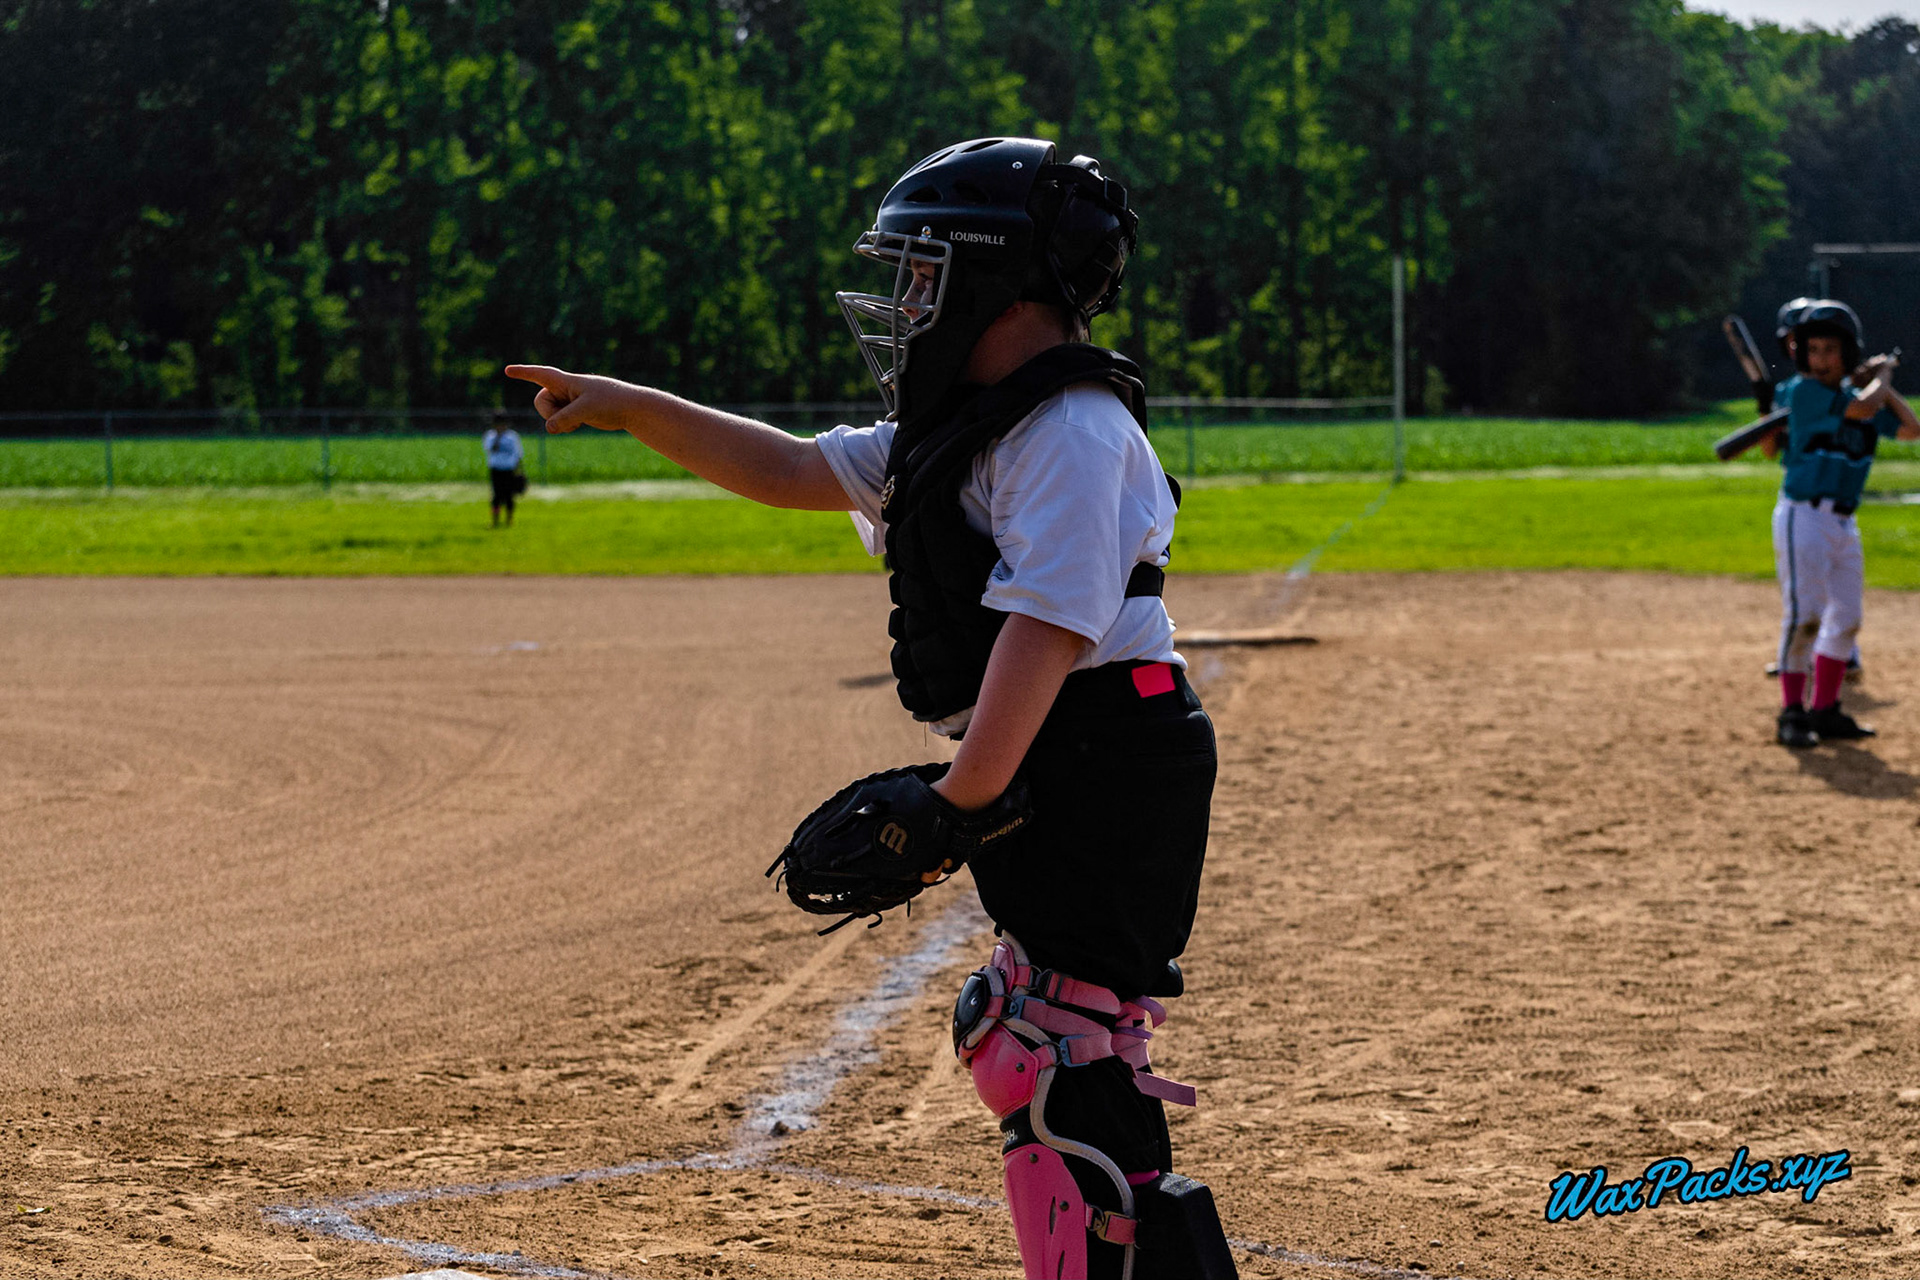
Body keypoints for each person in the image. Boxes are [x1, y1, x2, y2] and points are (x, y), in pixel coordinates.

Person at [507, 136, 1236, 1279]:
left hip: (1109, 760)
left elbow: (1049, 630)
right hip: (1071, 752)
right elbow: (794, 468)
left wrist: (961, 799)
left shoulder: (1074, 431)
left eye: (923, 273)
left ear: (998, 281)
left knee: (1054, 1042)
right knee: (1045, 1028)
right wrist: (635, 407)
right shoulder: (981, 423)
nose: (905, 300)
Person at [1769, 299, 1918, 748]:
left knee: (1847, 619)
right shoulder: (1805, 392)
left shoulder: (1857, 397)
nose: (1821, 360)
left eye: (1831, 350)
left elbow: (1912, 428)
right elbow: (1863, 409)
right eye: (1813, 350)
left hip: (1843, 523)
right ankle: (1792, 713)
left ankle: (1826, 709)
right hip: (1803, 516)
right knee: (1805, 617)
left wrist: (1879, 383)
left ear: (1847, 354)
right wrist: (1882, 375)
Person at [483, 413, 526, 526]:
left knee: (509, 495)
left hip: (509, 469)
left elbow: (518, 453)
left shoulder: (512, 436)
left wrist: (519, 470)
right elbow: (491, 449)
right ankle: (495, 520)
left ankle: (509, 519)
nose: (500, 427)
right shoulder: (490, 436)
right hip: (496, 469)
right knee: (496, 495)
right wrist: (498, 437)